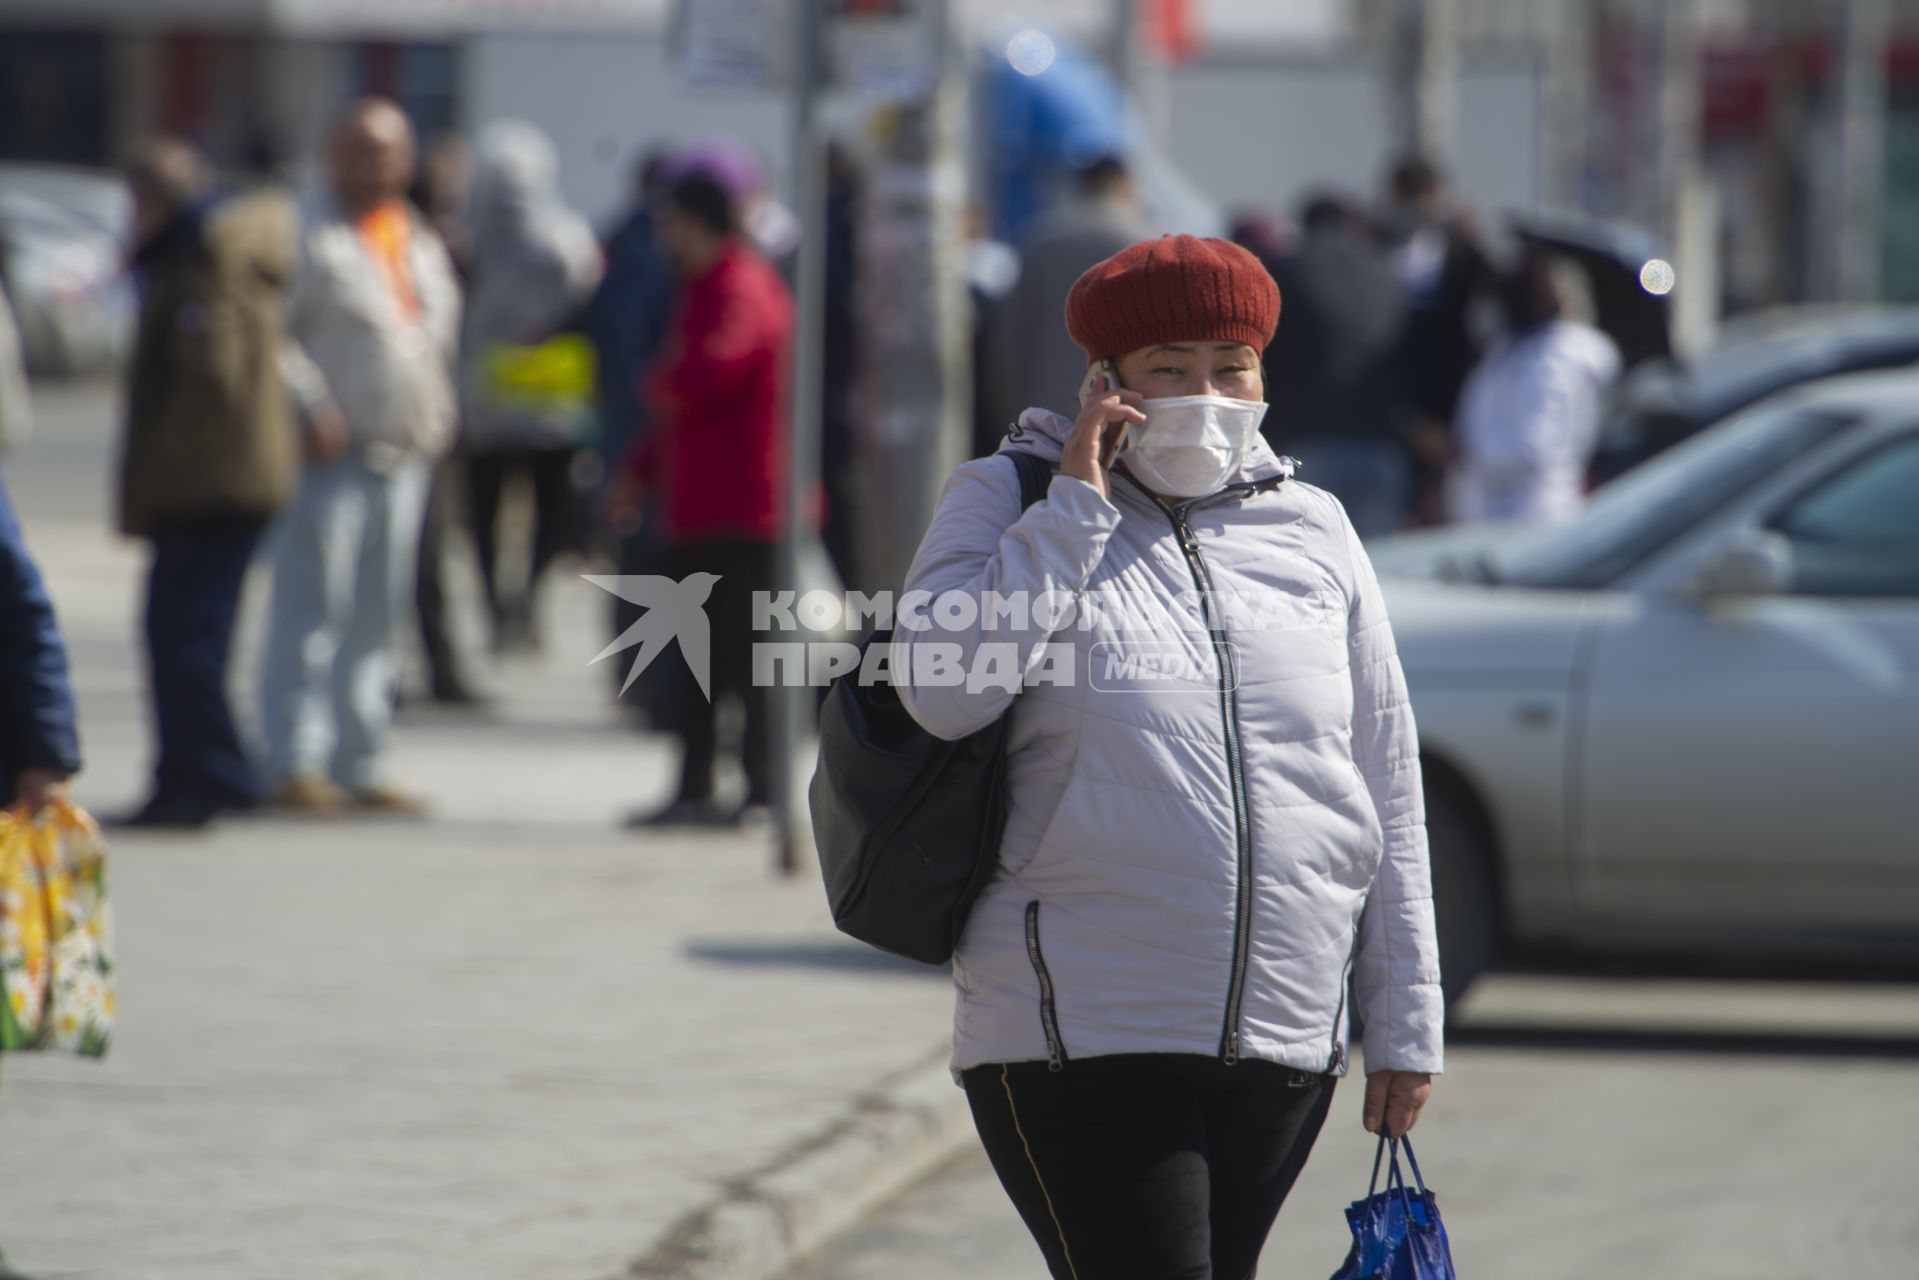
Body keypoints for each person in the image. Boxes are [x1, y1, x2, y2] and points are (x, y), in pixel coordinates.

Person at [892, 235, 1443, 1279]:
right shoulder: (1004, 498)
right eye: (1168, 366)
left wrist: (1405, 1016)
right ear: (1104, 379)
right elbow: (942, 690)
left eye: (1230, 366)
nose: (1205, 392)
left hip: (1279, 1039)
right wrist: (1073, 506)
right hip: (1078, 1031)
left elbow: (1384, 777)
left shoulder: (1313, 525)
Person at [261, 98, 460, 815]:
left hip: (402, 450)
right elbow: (270, 335)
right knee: (314, 611)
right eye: (361, 151)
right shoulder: (306, 232)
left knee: (378, 619)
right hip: (328, 454)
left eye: (388, 153)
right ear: (331, 155)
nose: (376, 166)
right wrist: (309, 404)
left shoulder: (414, 236)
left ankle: (362, 758)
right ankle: (292, 759)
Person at [115, 139, 296, 828]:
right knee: (188, 636)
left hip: (210, 485)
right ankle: (194, 772)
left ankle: (211, 776)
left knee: (184, 639)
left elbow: (211, 378)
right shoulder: (204, 252)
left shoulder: (201, 262)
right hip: (220, 482)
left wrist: (167, 471)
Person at [616, 174, 793, 827]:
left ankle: (759, 790)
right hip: (703, 505)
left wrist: (657, 378)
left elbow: (713, 368)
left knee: (743, 662)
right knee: (699, 663)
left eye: (673, 222)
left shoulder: (737, 283)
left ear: (697, 223)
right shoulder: (704, 286)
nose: (666, 236)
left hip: (741, 509)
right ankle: (697, 788)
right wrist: (637, 473)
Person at [459, 120, 603, 655]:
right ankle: (519, 602)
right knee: (545, 512)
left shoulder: (469, 237)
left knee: (494, 514)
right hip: (540, 403)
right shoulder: (568, 236)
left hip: (502, 400)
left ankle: (508, 603)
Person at [1263, 193, 1410, 538]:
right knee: (1376, 572)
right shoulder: (1387, 274)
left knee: (1307, 563)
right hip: (1380, 446)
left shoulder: (1285, 271)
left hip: (1306, 442)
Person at [1450, 249, 1621, 526]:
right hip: (1494, 515)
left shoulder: (1554, 359)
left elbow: (1538, 444)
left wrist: (1470, 450)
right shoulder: (1510, 352)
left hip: (1537, 513)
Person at [980, 155, 1149, 436]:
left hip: (1039, 412)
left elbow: (1007, 340)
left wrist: (1005, 408)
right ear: (1124, 185)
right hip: (1118, 416)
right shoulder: (1143, 246)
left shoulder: (1039, 240)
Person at [408, 130, 487, 706]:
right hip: (393, 428)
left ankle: (444, 669)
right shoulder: (401, 241)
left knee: (434, 558)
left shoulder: (442, 246)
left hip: (434, 419)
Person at [1378, 154, 1497, 527]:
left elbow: (1476, 332)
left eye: (1425, 196)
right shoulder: (1376, 248)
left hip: (1448, 411)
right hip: (1393, 410)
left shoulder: (1461, 255)